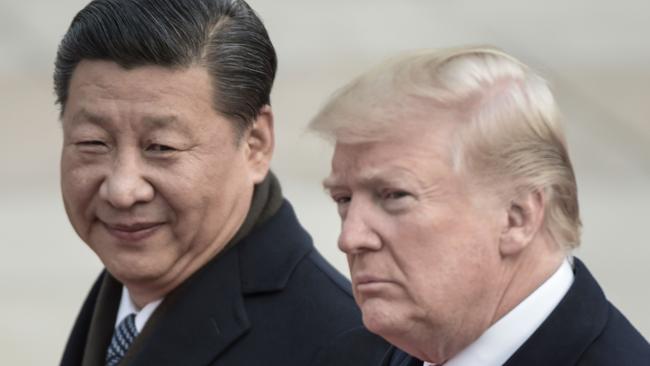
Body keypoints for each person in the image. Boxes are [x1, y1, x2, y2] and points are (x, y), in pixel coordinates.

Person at [55, 0, 389, 365]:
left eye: (161, 147)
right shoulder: (125, 295)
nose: (121, 190)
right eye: (92, 142)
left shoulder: (343, 347)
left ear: (255, 145)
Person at [309, 46, 650, 365]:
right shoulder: (347, 355)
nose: (350, 238)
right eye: (344, 199)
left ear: (517, 217)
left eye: (394, 196)